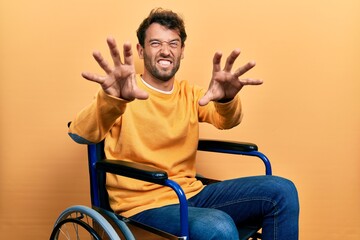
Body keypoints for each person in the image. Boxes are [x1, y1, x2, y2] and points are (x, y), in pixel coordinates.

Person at [69, 8, 299, 240]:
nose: (165, 51)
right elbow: (80, 134)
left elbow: (226, 121)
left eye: (173, 44)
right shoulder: (123, 93)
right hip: (143, 203)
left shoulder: (190, 94)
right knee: (218, 226)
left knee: (282, 191)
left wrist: (226, 99)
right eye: (156, 43)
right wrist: (112, 99)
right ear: (141, 50)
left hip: (190, 193)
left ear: (182, 51)